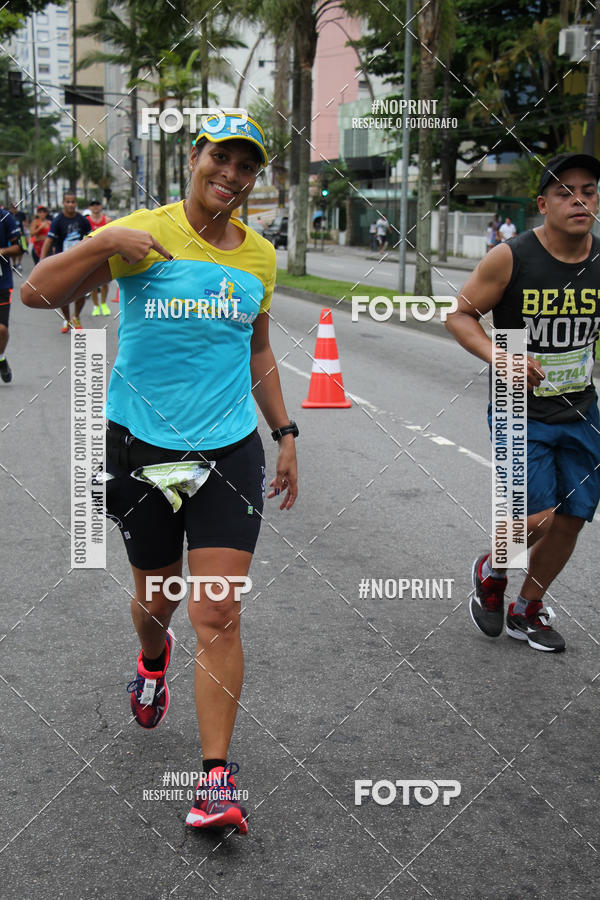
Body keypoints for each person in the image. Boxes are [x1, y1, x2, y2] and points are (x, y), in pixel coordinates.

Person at [22, 113, 299, 833]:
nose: (231, 175)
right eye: (221, 159)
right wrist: (104, 241)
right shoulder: (141, 233)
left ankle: (215, 780)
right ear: (195, 156)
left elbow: (258, 349)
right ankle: (152, 662)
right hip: (140, 447)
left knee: (218, 611)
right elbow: (36, 295)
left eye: (246, 166)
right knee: (157, 599)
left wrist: (285, 432)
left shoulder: (260, 256)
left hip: (228, 450)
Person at [446, 152, 600, 653]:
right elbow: (460, 315)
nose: (580, 201)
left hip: (581, 409)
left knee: (573, 516)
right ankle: (492, 570)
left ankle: (526, 608)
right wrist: (501, 356)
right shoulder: (512, 256)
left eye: (589, 191)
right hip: (519, 406)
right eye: (565, 192)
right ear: (543, 204)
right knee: (539, 516)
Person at [40, 192, 92, 332]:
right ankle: (67, 319)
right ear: (63, 203)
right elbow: (49, 240)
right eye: (67, 202)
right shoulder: (57, 221)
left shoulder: (83, 220)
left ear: (76, 203)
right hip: (62, 263)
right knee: (64, 293)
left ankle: (76, 317)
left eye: (73, 201)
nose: (70, 204)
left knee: (81, 291)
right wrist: (41, 261)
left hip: (80, 262)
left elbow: (92, 238)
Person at [0, 207, 21, 383]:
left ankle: (1, 358)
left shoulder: (5, 217)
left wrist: (2, 252)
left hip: (2, 283)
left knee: (1, 329)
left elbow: (20, 247)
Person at [86, 200, 112, 316]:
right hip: (90, 254)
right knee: (92, 283)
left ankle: (103, 303)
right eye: (93, 205)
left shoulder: (107, 220)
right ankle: (96, 306)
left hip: (104, 254)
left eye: (97, 205)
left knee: (105, 282)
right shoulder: (86, 221)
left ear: (101, 206)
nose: (95, 207)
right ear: (89, 207)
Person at [9, 201, 28, 274]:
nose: (14, 209)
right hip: (11, 235)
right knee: (12, 250)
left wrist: (26, 233)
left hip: (21, 234)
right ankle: (14, 263)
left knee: (22, 249)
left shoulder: (21, 214)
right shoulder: (8, 214)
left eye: (15, 207)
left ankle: (19, 263)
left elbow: (25, 223)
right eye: (13, 207)